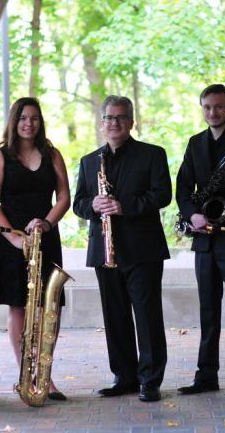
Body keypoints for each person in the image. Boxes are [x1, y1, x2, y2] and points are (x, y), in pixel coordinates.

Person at [73, 95, 172, 403]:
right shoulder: (89, 161)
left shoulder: (152, 154)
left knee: (147, 316)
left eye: (120, 118)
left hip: (142, 250)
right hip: (104, 250)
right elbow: (78, 203)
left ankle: (150, 379)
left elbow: (162, 194)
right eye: (108, 118)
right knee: (114, 317)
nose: (113, 123)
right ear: (102, 124)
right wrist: (94, 205)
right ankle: (124, 377)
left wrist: (123, 206)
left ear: (131, 122)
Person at [0, 97, 71, 401]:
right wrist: (13, 238)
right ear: (14, 121)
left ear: (40, 121)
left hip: (44, 234)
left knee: (50, 306)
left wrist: (46, 224)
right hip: (13, 238)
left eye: (34, 118)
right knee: (19, 305)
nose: (28, 123)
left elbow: (63, 197)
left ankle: (44, 373)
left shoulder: (52, 153)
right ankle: (28, 373)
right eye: (23, 118)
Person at [175, 84, 225, 398]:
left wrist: (218, 214)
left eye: (219, 107)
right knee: (207, 310)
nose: (213, 112)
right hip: (202, 239)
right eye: (207, 107)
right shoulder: (195, 142)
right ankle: (206, 375)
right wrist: (192, 214)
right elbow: (183, 186)